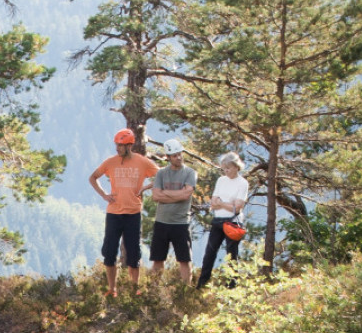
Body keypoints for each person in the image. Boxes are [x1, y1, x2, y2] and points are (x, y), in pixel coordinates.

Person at [89, 128, 160, 299]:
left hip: (133, 214)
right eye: (116, 145)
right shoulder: (110, 162)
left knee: (133, 253)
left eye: (120, 145)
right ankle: (112, 289)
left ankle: (134, 289)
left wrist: (145, 187)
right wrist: (104, 195)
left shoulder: (142, 162)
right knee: (109, 252)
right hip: (113, 213)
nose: (117, 148)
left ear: (130, 145)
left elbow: (161, 175)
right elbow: (93, 177)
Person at [148, 140, 199, 286]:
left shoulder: (190, 173)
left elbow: (186, 195)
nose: (178, 157)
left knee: (184, 260)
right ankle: (154, 291)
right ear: (168, 157)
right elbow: (156, 196)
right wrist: (178, 194)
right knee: (158, 260)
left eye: (179, 154)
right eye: (174, 155)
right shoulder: (161, 173)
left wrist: (165, 193)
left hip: (181, 223)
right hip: (161, 222)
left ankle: (185, 292)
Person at [198, 152, 251, 288]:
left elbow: (238, 208)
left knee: (231, 255)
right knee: (209, 252)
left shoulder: (242, 183)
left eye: (228, 168)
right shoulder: (221, 180)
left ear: (236, 167)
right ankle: (201, 284)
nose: (226, 171)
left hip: (233, 222)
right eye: (224, 168)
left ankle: (232, 286)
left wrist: (221, 204)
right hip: (218, 220)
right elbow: (213, 201)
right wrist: (227, 204)